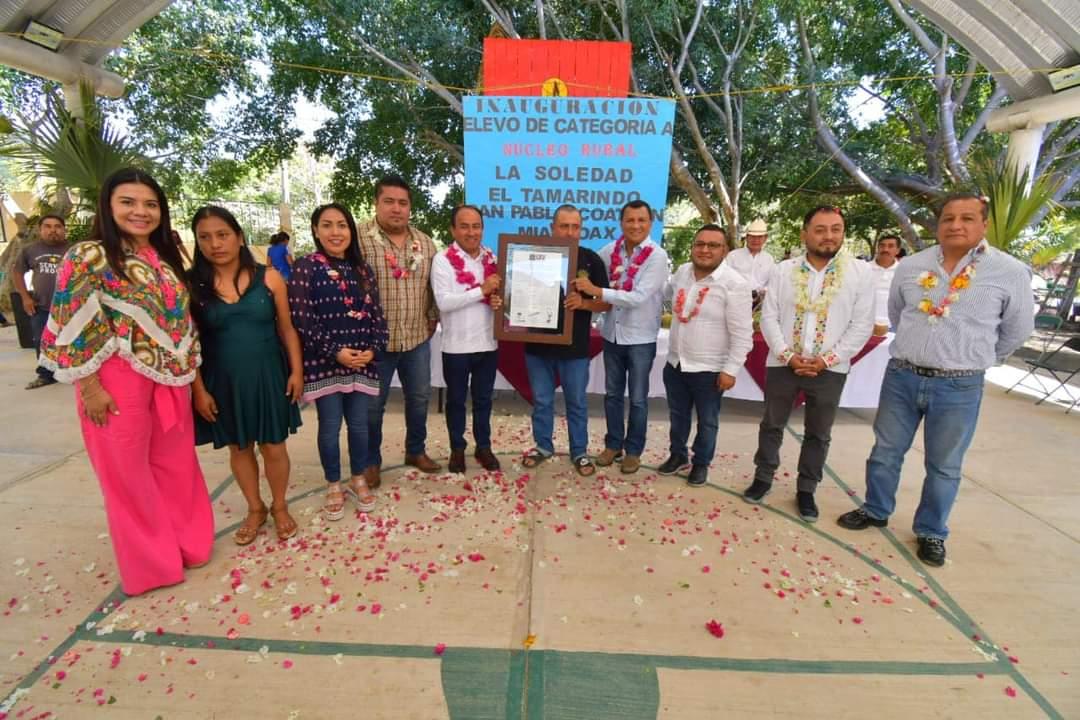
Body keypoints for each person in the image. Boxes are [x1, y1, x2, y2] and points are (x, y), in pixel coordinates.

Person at [39, 167, 213, 596]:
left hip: (170, 381)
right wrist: (90, 388)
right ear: (109, 206)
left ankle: (188, 545)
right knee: (127, 477)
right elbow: (72, 325)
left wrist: (192, 380)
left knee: (176, 468)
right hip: (117, 383)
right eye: (128, 202)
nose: (141, 212)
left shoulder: (165, 259)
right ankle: (152, 565)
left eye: (150, 204)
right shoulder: (88, 257)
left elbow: (181, 324)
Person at [837, 193, 1034, 567]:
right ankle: (876, 509)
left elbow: (1017, 330)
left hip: (960, 385)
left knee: (944, 464)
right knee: (885, 451)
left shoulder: (1008, 272)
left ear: (984, 225)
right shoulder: (912, 265)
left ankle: (931, 530)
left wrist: (979, 359)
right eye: (948, 218)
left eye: (967, 218)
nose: (956, 225)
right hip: (903, 376)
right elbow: (897, 313)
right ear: (937, 224)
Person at [742, 206, 874, 522]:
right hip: (782, 363)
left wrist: (826, 360)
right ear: (805, 234)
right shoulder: (784, 270)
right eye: (820, 229)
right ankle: (763, 478)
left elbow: (862, 324)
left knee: (819, 432)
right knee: (772, 423)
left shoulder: (860, 273)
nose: (828, 236)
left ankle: (806, 488)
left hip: (830, 369)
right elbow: (769, 316)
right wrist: (788, 355)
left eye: (836, 229)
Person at [188, 206, 304, 545]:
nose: (215, 244)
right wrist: (198, 390)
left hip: (268, 374)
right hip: (221, 380)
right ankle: (255, 508)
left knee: (274, 444)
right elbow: (187, 343)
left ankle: (280, 506)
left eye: (222, 235)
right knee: (239, 447)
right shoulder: (192, 284)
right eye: (205, 237)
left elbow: (287, 328)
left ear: (238, 237)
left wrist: (296, 371)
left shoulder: (269, 278)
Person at [289, 203, 388, 521]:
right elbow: (302, 319)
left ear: (351, 231)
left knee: (359, 426)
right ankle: (333, 483)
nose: (336, 232)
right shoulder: (306, 267)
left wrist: (373, 349)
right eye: (327, 225)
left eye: (342, 225)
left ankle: (358, 477)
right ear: (316, 231)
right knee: (330, 427)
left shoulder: (363, 269)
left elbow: (377, 315)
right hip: (326, 362)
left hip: (361, 362)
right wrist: (335, 351)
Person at [573, 200, 668, 474]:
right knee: (612, 394)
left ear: (650, 223)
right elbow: (586, 265)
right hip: (612, 335)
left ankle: (634, 450)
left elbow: (637, 297)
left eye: (641, 220)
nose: (635, 225)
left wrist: (596, 291)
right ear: (621, 222)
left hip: (640, 338)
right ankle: (613, 444)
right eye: (630, 220)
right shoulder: (609, 251)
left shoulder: (656, 256)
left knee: (637, 398)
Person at [358, 175, 441, 484]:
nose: (396, 209)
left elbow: (433, 285)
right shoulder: (358, 238)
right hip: (375, 342)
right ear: (377, 203)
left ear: (410, 207)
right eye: (389, 202)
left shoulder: (425, 242)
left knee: (419, 398)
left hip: (416, 338)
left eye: (403, 203)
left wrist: (432, 317)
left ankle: (415, 450)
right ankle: (370, 460)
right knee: (372, 406)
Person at [658, 224, 753, 486]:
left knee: (707, 421)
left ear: (725, 250)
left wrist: (731, 369)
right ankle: (677, 455)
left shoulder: (735, 284)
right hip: (676, 362)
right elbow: (665, 296)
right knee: (678, 416)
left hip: (710, 368)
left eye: (713, 245)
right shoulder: (682, 273)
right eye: (700, 244)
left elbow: (743, 334)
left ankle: (701, 463)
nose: (705, 250)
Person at [522, 205, 611, 476]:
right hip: (537, 346)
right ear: (553, 227)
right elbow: (520, 293)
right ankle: (543, 446)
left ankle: (579, 451)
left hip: (575, 348)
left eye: (575, 227)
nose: (570, 232)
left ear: (580, 229)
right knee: (542, 400)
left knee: (576, 402)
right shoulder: (533, 258)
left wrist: (584, 303)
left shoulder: (591, 260)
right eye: (564, 226)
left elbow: (606, 304)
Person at [430, 205, 503, 473]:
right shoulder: (443, 260)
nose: (471, 232)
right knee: (456, 401)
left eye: (476, 226)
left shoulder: (492, 258)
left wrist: (497, 300)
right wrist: (481, 290)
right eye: (465, 226)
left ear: (482, 229)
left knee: (484, 400)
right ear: (453, 229)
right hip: (456, 346)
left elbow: (497, 297)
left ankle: (483, 447)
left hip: (488, 343)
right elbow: (444, 302)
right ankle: (457, 449)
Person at [14, 214, 67, 389]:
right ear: (40, 229)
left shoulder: (74, 249)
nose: (53, 230)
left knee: (73, 341)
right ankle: (45, 375)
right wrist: (25, 297)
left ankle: (73, 372)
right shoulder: (30, 250)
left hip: (70, 307)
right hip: (41, 306)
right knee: (42, 341)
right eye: (48, 226)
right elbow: (17, 273)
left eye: (57, 226)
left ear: (64, 229)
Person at [725, 218, 776, 308]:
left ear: (765, 238)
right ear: (747, 237)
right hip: (734, 301)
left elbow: (772, 282)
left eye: (760, 237)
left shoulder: (769, 259)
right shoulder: (733, 256)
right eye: (752, 236)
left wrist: (763, 291)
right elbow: (724, 278)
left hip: (759, 303)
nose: (756, 240)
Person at [868, 234, 902, 336]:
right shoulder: (864, 269)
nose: (885, 249)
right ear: (878, 248)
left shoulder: (904, 271)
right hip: (865, 326)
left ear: (898, 250)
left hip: (894, 327)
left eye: (891, 246)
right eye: (882, 246)